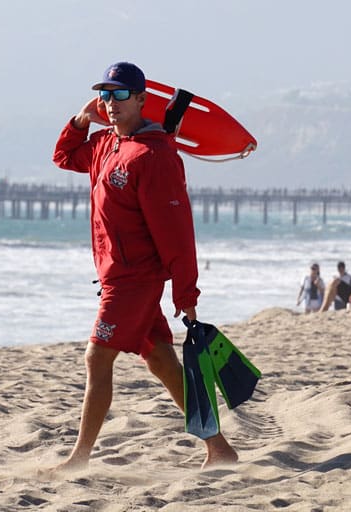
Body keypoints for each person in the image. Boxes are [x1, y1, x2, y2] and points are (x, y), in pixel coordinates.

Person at [50, 61, 237, 471]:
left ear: (141, 100)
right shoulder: (104, 145)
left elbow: (177, 232)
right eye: (104, 95)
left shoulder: (155, 156)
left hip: (135, 280)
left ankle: (79, 459)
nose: (109, 103)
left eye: (119, 95)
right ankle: (219, 448)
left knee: (96, 358)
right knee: (160, 360)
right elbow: (64, 157)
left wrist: (186, 292)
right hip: (116, 275)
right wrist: (81, 120)